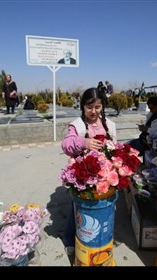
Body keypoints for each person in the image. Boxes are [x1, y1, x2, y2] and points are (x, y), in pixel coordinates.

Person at [61, 87, 117, 254]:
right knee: (78, 208)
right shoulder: (77, 126)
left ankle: (101, 236)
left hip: (105, 176)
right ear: (83, 106)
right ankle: (70, 238)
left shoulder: (110, 125)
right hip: (84, 177)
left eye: (98, 107)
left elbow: (115, 147)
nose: (93, 111)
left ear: (103, 107)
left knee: (104, 207)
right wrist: (84, 143)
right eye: (89, 107)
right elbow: (66, 144)